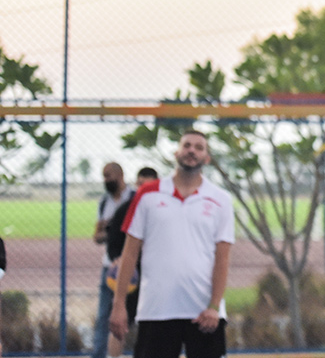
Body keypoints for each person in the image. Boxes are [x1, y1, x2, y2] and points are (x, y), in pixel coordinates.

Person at [109, 130, 235, 358]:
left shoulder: (221, 199)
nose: (192, 151)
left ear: (207, 158)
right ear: (176, 152)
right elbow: (129, 254)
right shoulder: (147, 194)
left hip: (204, 313)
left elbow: (222, 259)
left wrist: (214, 307)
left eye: (199, 147)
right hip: (156, 311)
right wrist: (119, 305)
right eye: (187, 145)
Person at [104, 166, 159, 358]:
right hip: (130, 277)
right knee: (119, 324)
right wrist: (116, 259)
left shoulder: (163, 210)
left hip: (154, 278)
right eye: (142, 184)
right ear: (137, 184)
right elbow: (113, 241)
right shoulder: (126, 209)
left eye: (149, 185)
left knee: (153, 327)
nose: (145, 188)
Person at [92, 162, 134, 358]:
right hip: (110, 267)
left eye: (108, 176)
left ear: (120, 175)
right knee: (104, 316)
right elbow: (97, 235)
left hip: (133, 268)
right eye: (104, 176)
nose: (106, 180)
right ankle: (100, 354)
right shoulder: (104, 202)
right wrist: (111, 230)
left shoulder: (135, 198)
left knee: (134, 315)